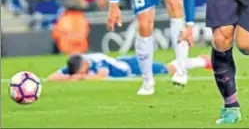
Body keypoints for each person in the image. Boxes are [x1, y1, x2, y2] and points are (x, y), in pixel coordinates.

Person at [47, 53, 211, 81]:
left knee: (167, 69)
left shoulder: (96, 61)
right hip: (125, 65)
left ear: (84, 64)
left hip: (132, 66)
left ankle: (201, 61)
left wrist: (79, 78)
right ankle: (200, 61)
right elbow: (51, 78)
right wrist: (71, 77)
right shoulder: (76, 66)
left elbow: (101, 76)